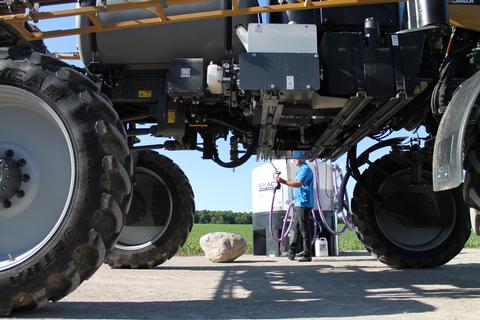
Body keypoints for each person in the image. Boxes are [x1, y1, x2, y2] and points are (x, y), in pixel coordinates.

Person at [275, 152, 314, 262]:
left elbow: (298, 183)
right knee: (295, 228)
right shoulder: (301, 169)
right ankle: (291, 253)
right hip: (299, 203)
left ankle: (307, 255)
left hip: (304, 203)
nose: (293, 160)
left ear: (301, 158)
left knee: (304, 228)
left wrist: (283, 181)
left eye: (295, 158)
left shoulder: (305, 170)